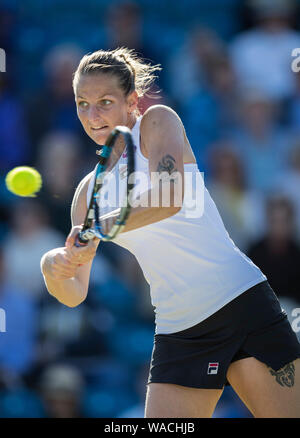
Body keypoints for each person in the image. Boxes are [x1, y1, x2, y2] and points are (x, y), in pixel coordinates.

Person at [40, 47, 300, 418]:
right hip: (180, 331)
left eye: (104, 101)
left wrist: (100, 226)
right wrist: (55, 265)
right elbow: (73, 294)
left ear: (132, 100)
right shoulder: (87, 193)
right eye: (82, 103)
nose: (92, 115)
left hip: (243, 306)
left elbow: (169, 195)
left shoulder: (158, 122)